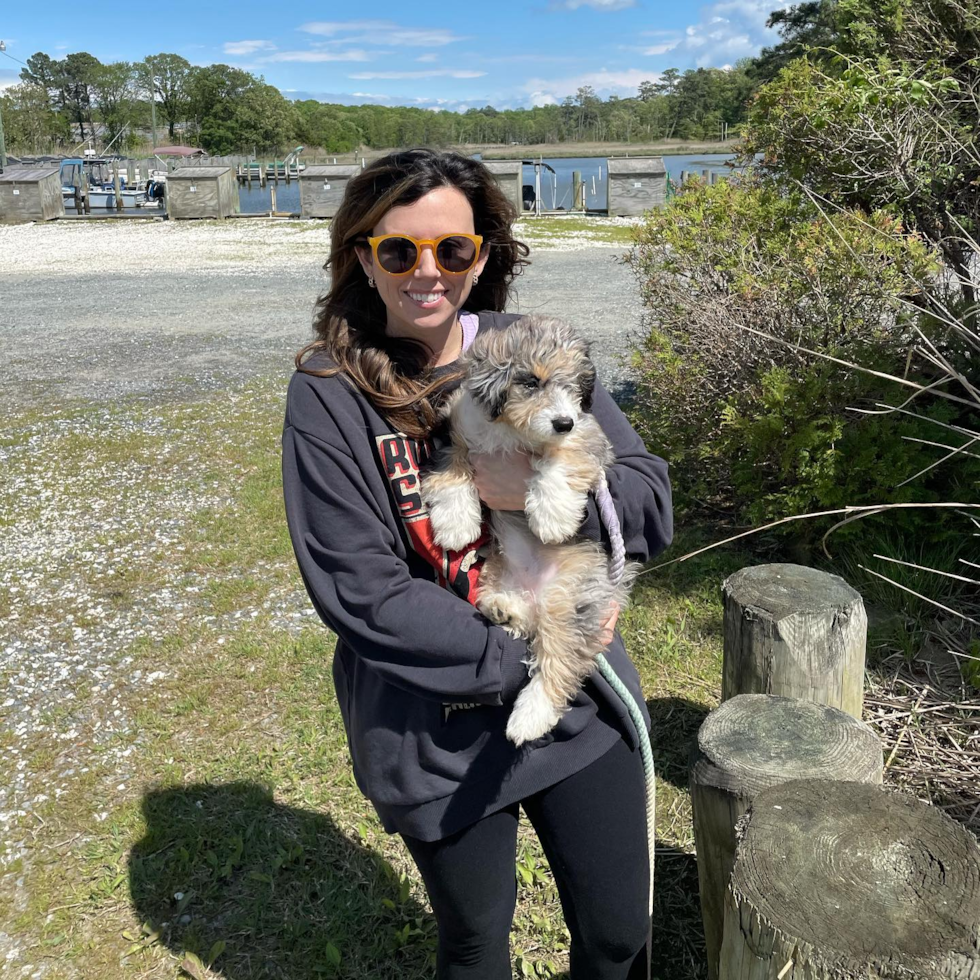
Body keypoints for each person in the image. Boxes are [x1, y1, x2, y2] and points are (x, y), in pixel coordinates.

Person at [281, 148, 672, 980]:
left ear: (483, 255)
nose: (428, 272)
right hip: (436, 727)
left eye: (452, 249)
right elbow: (360, 590)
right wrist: (528, 662)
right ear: (362, 256)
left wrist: (531, 482)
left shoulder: (536, 348)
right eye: (399, 251)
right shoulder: (327, 391)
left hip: (580, 700)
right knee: (474, 940)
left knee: (618, 932)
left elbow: (650, 497)